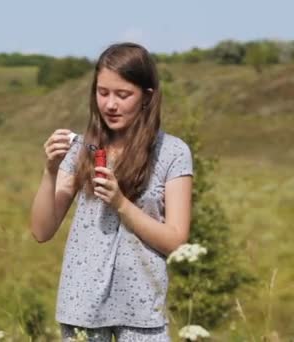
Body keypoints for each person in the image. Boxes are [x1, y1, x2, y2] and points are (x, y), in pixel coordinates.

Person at [30, 42, 193, 341]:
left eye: (123, 94)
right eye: (102, 92)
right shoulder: (82, 148)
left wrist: (121, 203)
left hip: (143, 311)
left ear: (147, 97)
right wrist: (50, 170)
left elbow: (175, 240)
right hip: (82, 309)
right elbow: (41, 231)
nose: (110, 105)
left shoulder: (172, 152)